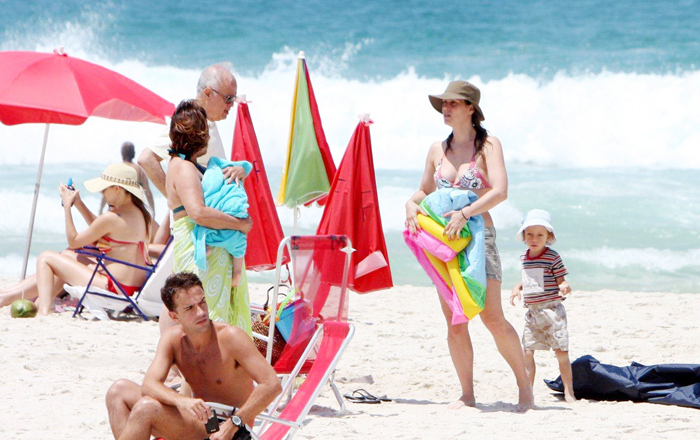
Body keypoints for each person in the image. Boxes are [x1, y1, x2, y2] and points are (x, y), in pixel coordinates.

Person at [404, 80, 534, 411]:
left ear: (470, 108)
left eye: (453, 103)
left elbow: (500, 191)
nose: (445, 109)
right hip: (443, 244)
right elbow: (423, 191)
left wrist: (464, 212)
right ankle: (467, 394)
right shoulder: (437, 149)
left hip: (480, 238)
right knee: (456, 320)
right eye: (443, 104)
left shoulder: (489, 146)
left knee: (492, 318)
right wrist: (410, 205)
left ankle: (525, 388)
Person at [105, 272, 281, 440]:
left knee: (147, 408)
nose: (201, 312)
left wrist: (235, 422)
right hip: (196, 417)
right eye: (189, 308)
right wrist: (183, 402)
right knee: (118, 391)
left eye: (202, 302)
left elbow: (272, 384)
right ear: (174, 316)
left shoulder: (231, 337)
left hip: (227, 426)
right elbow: (149, 385)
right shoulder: (173, 339)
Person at [0, 163, 151, 316]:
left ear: (117, 189)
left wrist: (67, 207)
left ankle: (43, 310)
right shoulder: (141, 215)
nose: (102, 193)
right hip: (131, 287)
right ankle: (12, 296)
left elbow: (74, 241)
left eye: (104, 189)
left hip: (115, 288)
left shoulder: (112, 218)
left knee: (46, 258)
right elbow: (100, 229)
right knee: (67, 257)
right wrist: (78, 203)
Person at [166, 99, 252, 332]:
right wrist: (240, 224)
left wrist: (239, 170)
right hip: (198, 247)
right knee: (207, 311)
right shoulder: (184, 169)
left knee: (203, 311)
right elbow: (199, 213)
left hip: (195, 244)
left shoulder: (183, 164)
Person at [137, 63, 239, 197]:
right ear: (208, 93)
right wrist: (176, 202)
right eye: (228, 99)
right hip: (198, 215)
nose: (232, 105)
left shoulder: (206, 121)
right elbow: (146, 159)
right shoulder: (190, 124)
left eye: (234, 99)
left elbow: (181, 178)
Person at [510, 209, 575, 403]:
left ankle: (569, 391)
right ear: (524, 236)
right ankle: (528, 391)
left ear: (549, 236)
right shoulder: (524, 257)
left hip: (551, 310)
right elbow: (529, 278)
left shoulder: (552, 257)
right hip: (532, 312)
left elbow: (561, 279)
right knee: (527, 352)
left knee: (561, 352)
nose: (534, 239)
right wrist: (517, 287)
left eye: (540, 235)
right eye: (529, 234)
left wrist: (564, 285)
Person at [100, 142, 155, 216]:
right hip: (134, 210)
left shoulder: (115, 169)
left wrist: (101, 210)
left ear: (122, 153)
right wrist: (153, 210)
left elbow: (107, 193)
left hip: (115, 209)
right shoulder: (139, 170)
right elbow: (148, 193)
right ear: (134, 153)